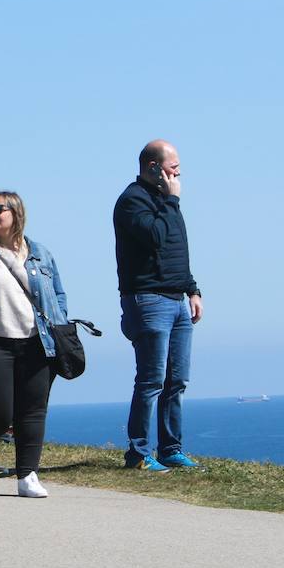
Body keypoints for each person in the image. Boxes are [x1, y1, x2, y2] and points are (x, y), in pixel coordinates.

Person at [0, 192, 70, 498]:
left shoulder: (41, 254)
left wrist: (58, 323)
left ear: (16, 213)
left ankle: (27, 475)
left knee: (33, 410)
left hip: (36, 342)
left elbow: (58, 294)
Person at [114, 140, 203, 472]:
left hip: (177, 299)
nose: (177, 174)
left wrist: (192, 289)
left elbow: (176, 250)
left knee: (176, 380)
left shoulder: (167, 203)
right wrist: (172, 200)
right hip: (148, 299)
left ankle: (170, 449)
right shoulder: (132, 202)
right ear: (153, 167)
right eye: (172, 168)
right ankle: (138, 453)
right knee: (151, 380)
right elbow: (154, 237)